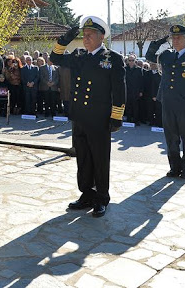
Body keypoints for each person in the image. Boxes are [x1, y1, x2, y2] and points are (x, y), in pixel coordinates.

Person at [50, 16, 126, 218]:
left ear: (101, 36)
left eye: (90, 35)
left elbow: (119, 91)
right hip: (80, 116)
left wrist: (116, 116)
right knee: (83, 157)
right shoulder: (78, 56)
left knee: (100, 159)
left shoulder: (112, 59)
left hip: (100, 119)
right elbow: (55, 58)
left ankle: (101, 198)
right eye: (84, 35)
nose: (86, 38)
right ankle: (86, 194)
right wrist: (64, 39)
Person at [146, 25, 185, 180]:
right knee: (171, 138)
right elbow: (149, 56)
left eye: (179, 37)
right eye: (173, 37)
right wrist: (158, 42)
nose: (175, 40)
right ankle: (174, 167)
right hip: (168, 102)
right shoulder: (166, 55)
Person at [125, 54, 144, 125]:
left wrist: (141, 91)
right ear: (128, 61)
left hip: (136, 90)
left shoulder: (139, 69)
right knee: (128, 105)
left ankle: (136, 120)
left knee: (136, 106)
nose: (131, 62)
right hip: (128, 90)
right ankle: (129, 119)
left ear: (135, 61)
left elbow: (142, 81)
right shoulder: (125, 69)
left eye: (132, 60)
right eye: (130, 60)